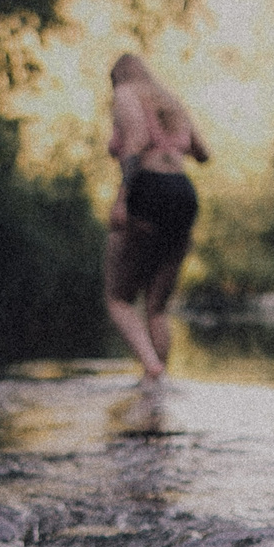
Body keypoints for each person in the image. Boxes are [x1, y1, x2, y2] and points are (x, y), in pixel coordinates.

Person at [103, 53, 209, 384]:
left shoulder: (126, 94)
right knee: (157, 307)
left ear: (118, 77)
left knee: (118, 298)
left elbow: (135, 142)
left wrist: (122, 199)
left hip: (149, 191)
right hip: (183, 194)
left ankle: (152, 368)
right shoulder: (169, 100)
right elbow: (203, 154)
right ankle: (157, 385)